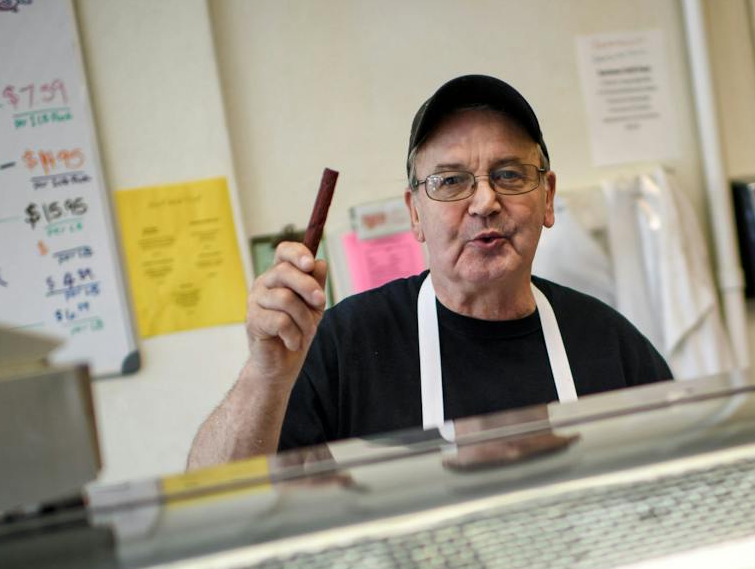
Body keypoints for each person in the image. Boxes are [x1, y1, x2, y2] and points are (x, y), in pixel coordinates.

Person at [186, 75, 672, 468]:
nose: (485, 202)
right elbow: (212, 504)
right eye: (451, 181)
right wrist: (265, 374)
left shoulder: (611, 345)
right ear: (414, 213)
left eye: (509, 174)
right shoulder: (342, 347)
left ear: (547, 197)